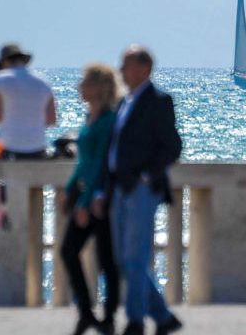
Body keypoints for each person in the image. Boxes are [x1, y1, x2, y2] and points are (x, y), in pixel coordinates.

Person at [101, 45, 183, 335]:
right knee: (124, 260)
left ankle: (135, 320)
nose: (121, 71)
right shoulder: (125, 102)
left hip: (140, 190)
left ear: (144, 69)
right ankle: (162, 316)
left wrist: (147, 175)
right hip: (120, 189)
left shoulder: (158, 101)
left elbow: (172, 147)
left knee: (135, 258)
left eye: (126, 65)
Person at [59, 63, 121, 335]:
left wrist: (84, 203)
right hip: (86, 196)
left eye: (85, 82)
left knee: (106, 259)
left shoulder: (109, 120)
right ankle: (86, 312)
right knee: (68, 251)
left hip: (102, 201)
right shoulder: (91, 117)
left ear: (99, 86)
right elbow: (83, 163)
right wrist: (69, 189)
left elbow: (99, 165)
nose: (80, 87)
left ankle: (107, 317)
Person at [0, 43, 57, 159]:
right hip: (38, 147)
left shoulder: (0, 80)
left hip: (9, 148)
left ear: (5, 62)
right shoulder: (44, 82)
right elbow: (51, 120)